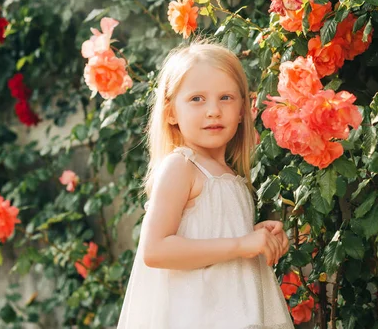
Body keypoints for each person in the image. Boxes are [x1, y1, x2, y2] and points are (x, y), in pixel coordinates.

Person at [117, 41, 294, 329]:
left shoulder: (230, 175)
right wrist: (240, 243)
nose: (213, 110)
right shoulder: (181, 167)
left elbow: (211, 234)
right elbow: (156, 250)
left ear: (242, 109)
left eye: (226, 97)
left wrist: (254, 236)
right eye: (197, 99)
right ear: (171, 112)